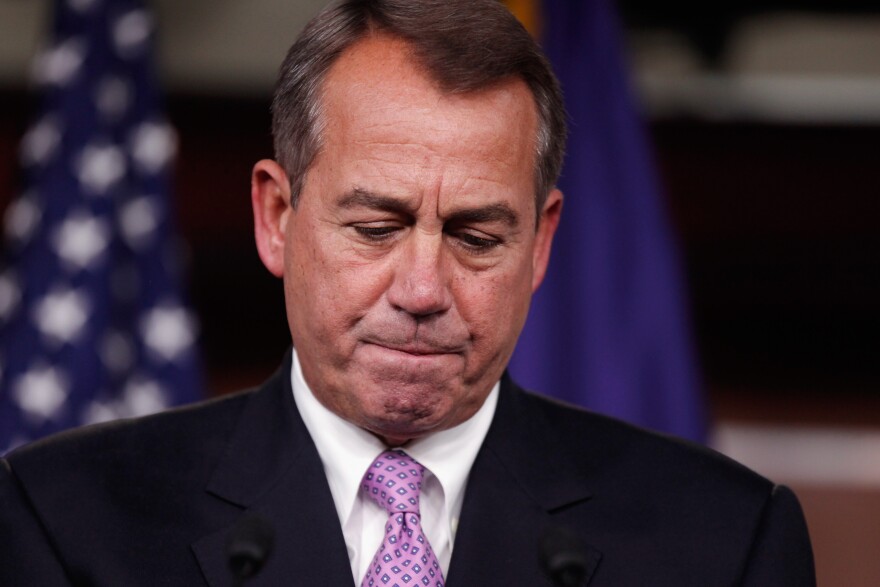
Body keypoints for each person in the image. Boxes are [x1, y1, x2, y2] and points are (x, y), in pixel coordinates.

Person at [0, 1, 814, 585]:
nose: (423, 290)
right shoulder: (66, 521)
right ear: (277, 217)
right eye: (376, 227)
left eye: (475, 237)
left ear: (542, 243)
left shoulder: (722, 543)